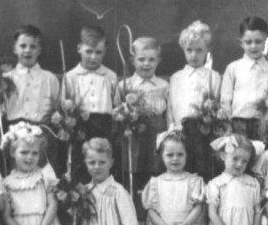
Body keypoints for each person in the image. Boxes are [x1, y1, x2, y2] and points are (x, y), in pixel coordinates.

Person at [167, 20, 222, 180]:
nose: (194, 55)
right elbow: (171, 107)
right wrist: (172, 129)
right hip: (182, 130)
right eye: (189, 50)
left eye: (199, 50)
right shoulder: (176, 77)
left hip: (205, 131)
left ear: (207, 50)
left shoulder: (214, 76)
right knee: (186, 168)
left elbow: (217, 104)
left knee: (205, 169)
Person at [63, 26, 120, 177]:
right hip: (81, 128)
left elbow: (116, 106)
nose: (93, 57)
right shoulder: (70, 77)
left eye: (98, 52)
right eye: (89, 51)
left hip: (104, 126)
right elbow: (65, 107)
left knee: (103, 165)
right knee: (81, 166)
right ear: (79, 48)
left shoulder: (110, 76)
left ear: (105, 51)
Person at [3, 25, 61, 172]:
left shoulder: (50, 78)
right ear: (14, 48)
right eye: (23, 46)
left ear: (39, 50)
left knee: (41, 177)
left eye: (33, 46)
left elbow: (58, 111)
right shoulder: (6, 79)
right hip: (14, 134)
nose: (28, 50)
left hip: (42, 134)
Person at [117, 36, 168, 195]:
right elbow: (117, 112)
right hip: (133, 136)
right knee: (133, 168)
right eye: (141, 59)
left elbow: (169, 113)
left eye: (151, 59)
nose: (146, 64)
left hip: (156, 135)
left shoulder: (164, 85)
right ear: (132, 60)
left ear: (158, 60)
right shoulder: (125, 85)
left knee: (154, 167)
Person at [220, 16, 268, 141]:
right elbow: (226, 100)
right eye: (248, 42)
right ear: (240, 43)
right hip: (239, 123)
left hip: (264, 122)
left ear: (266, 41)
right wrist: (227, 124)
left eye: (258, 42)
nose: (253, 46)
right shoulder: (233, 68)